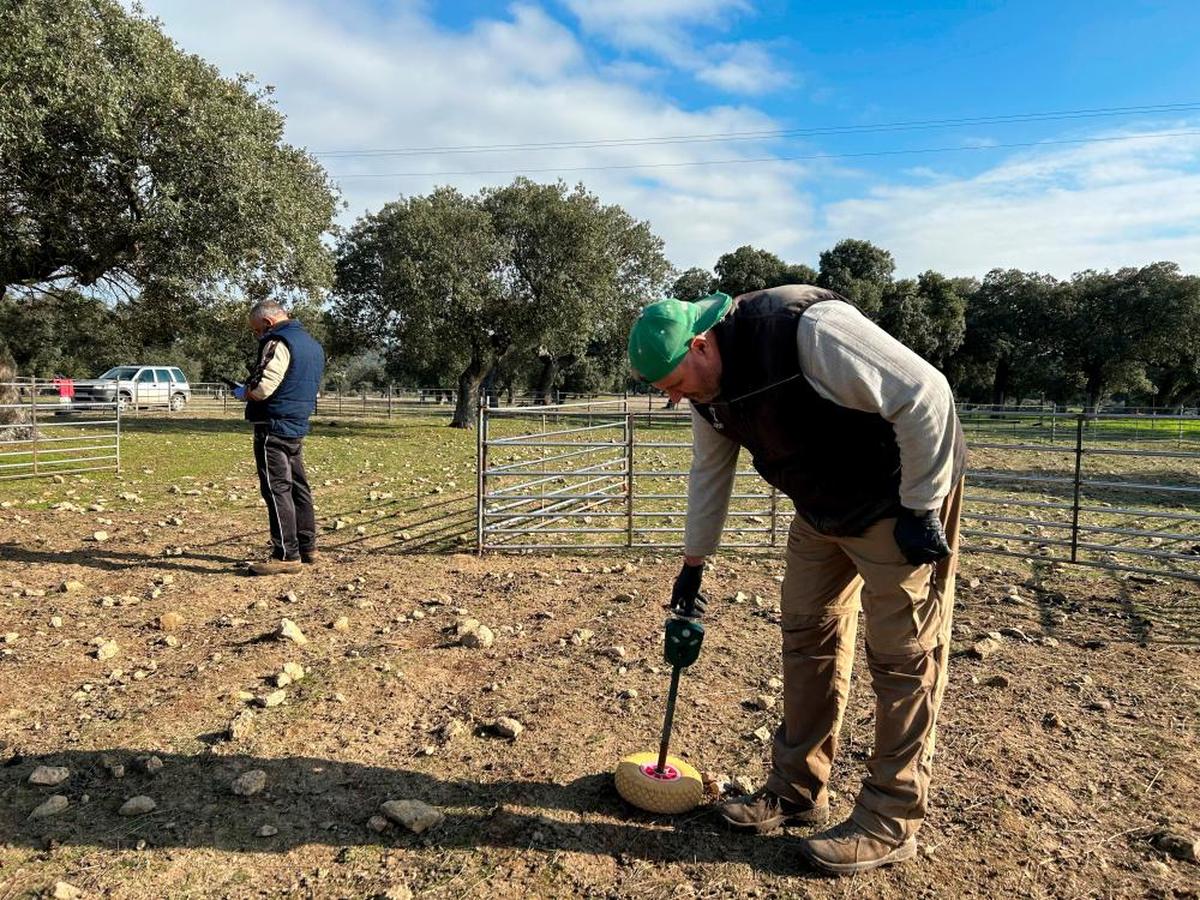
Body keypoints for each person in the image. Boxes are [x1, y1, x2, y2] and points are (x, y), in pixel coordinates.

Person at [627, 284, 965, 875]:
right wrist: (693, 564)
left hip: (897, 497)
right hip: (821, 506)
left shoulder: (809, 332)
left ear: (701, 343)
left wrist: (921, 507)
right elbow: (710, 472)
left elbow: (926, 393)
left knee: (903, 657)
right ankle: (796, 788)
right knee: (807, 633)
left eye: (676, 384)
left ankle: (891, 820)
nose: (677, 400)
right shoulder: (709, 395)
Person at [233, 300, 326, 576]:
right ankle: (309, 547)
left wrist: (245, 392)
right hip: (297, 424)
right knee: (299, 487)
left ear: (268, 323)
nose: (257, 336)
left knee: (276, 489)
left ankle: (286, 554)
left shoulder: (277, 341)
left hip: (272, 425)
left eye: (256, 330)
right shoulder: (313, 345)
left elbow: (263, 387)